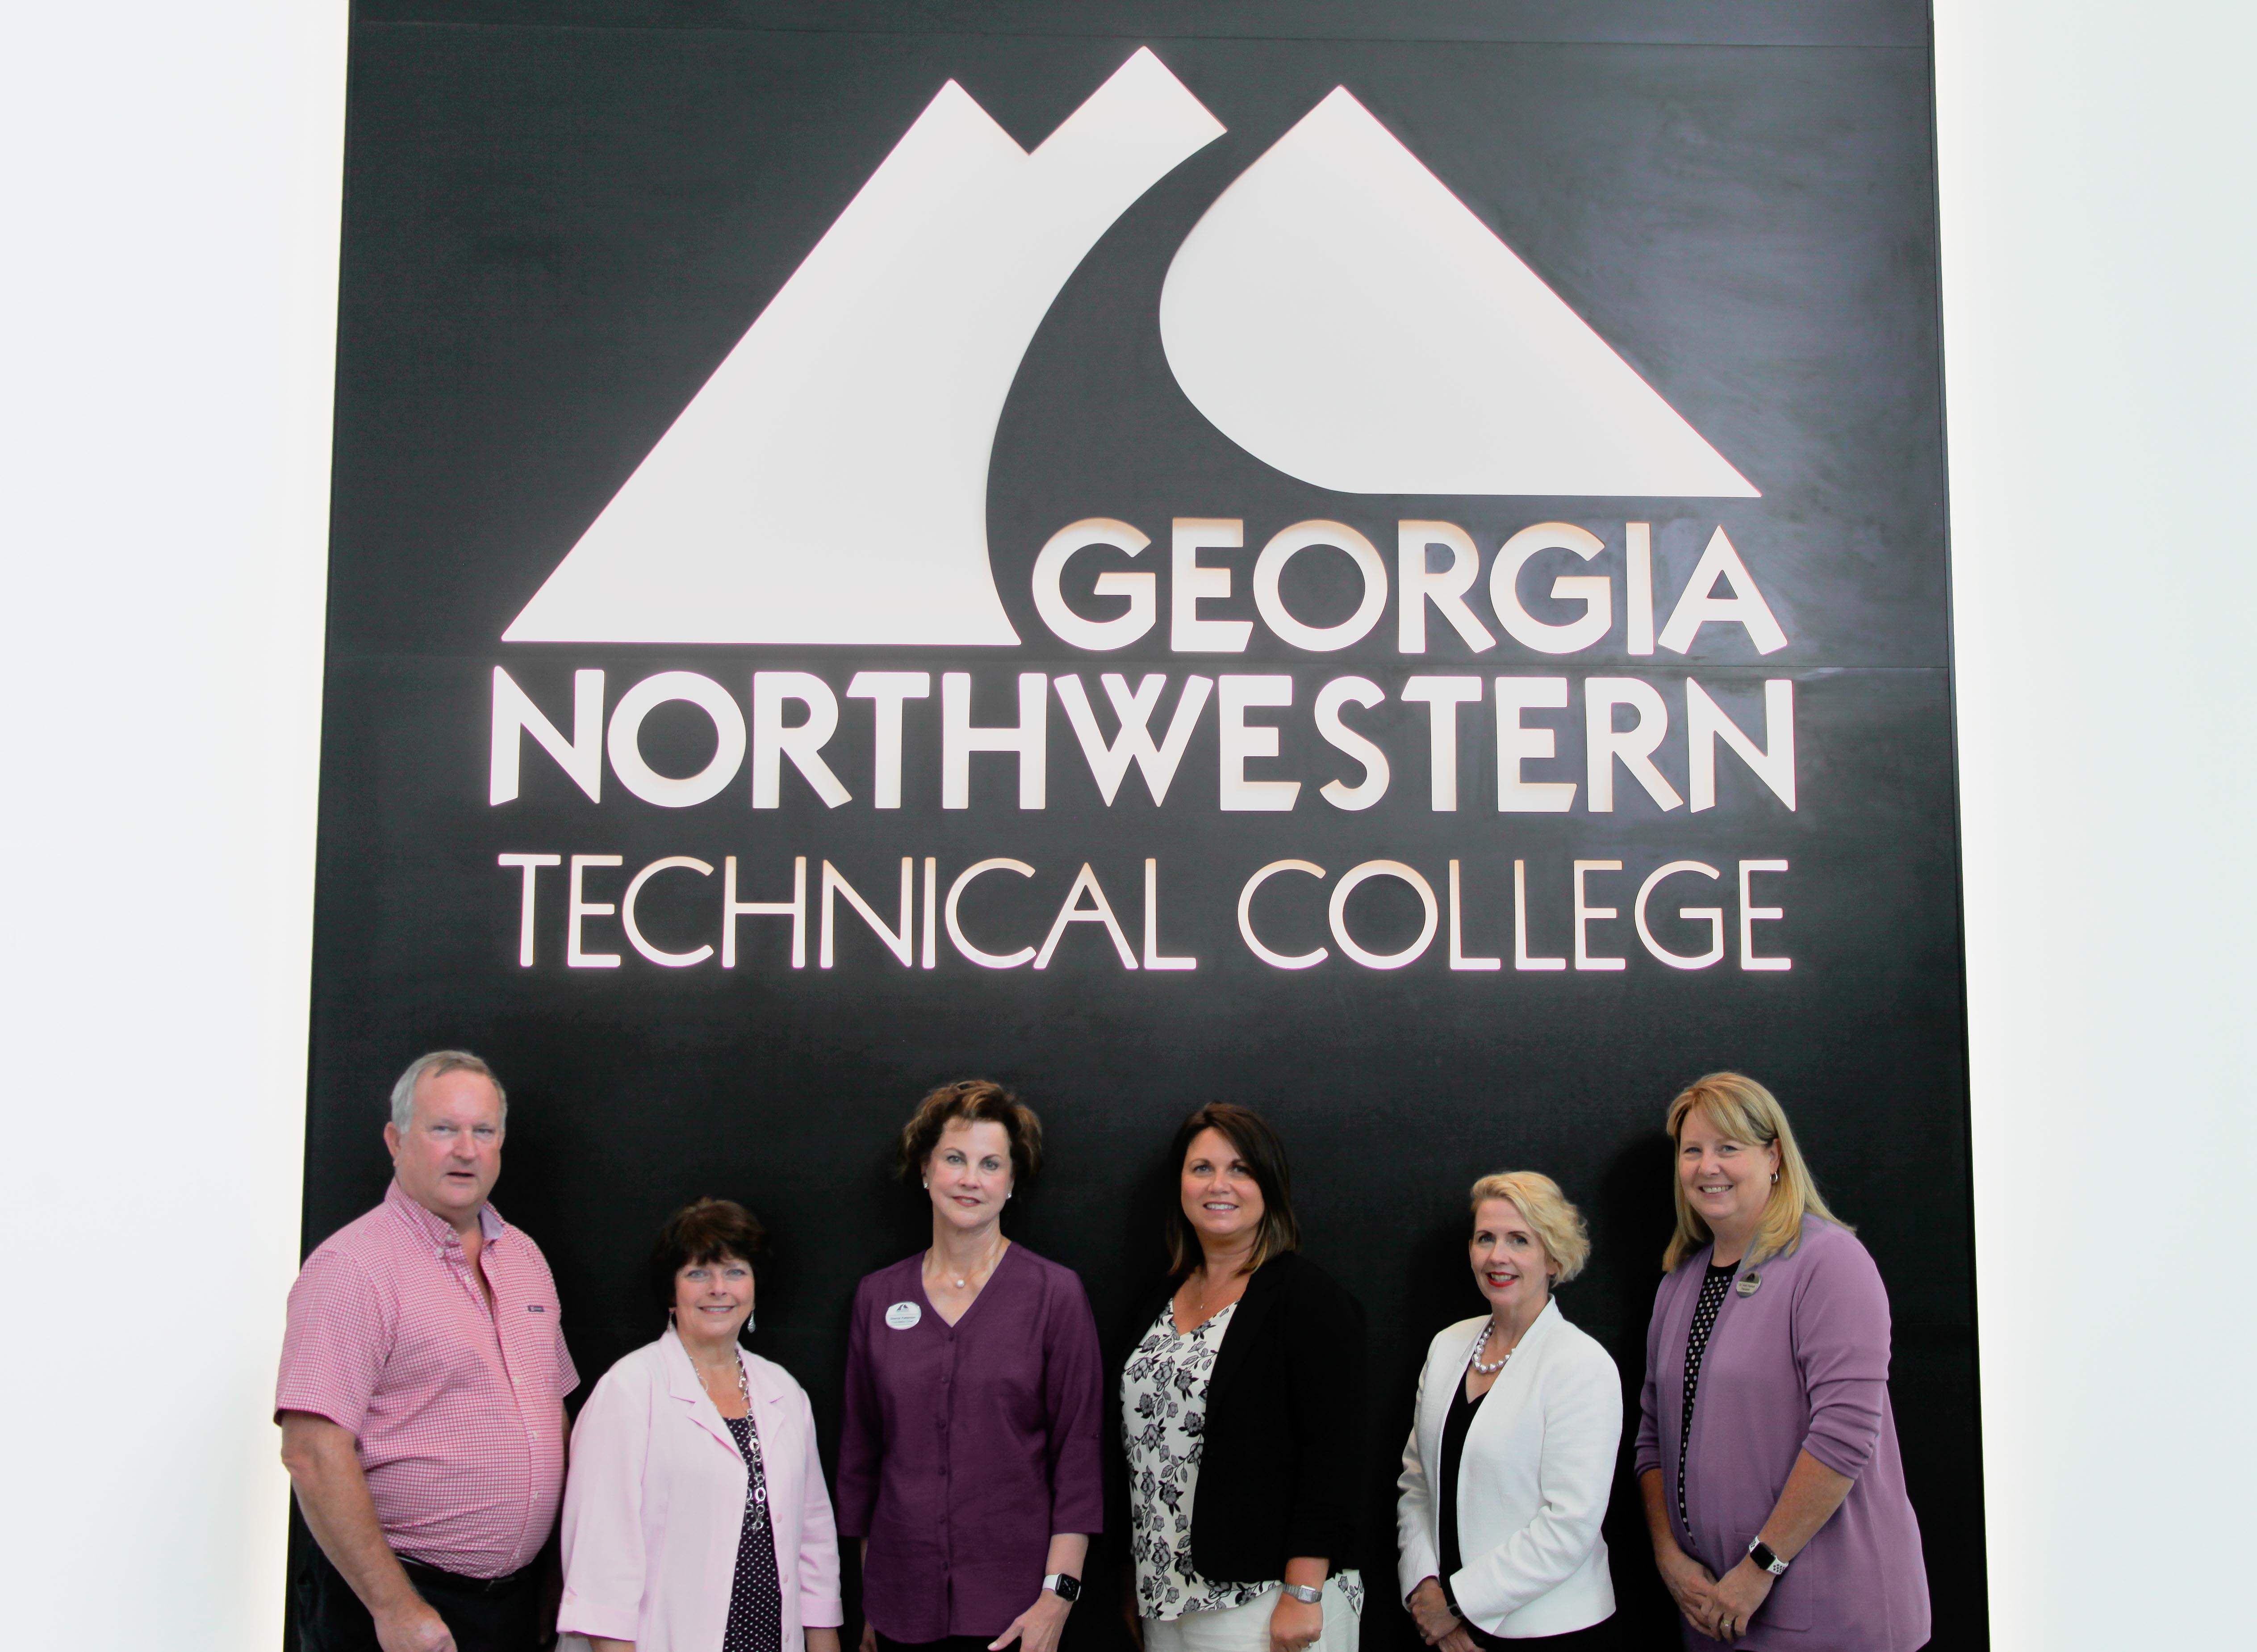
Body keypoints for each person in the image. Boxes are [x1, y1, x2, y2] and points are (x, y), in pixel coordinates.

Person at [277, 1050, 579, 1652]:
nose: (466, 1149)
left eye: (483, 1130)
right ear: (396, 1138)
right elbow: (311, 1450)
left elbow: (554, 1414)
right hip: (396, 1607)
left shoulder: (524, 1258)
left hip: (512, 1608)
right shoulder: (353, 1266)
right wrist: (394, 1606)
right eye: (444, 1128)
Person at [1635, 1074, 1930, 1650]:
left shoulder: (1828, 1261)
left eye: (1728, 1147)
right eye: (1692, 1150)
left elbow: (1844, 1433)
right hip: (1716, 1613)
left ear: (1773, 1156)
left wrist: (1759, 1566)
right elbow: (1652, 1435)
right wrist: (1668, 1555)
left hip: (1829, 1613)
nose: (1706, 1165)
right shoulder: (1679, 1283)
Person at [837, 1081, 1104, 1652]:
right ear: (926, 1170)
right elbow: (862, 1456)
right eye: (954, 1159)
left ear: (1010, 1183)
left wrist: (1057, 1599)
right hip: (899, 1607)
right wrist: (872, 1601)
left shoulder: (1054, 1294)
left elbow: (1079, 1458)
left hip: (1016, 1614)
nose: (969, 1179)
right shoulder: (877, 1297)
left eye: (990, 1164)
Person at [1120, 1104, 1366, 1652]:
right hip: (1166, 1598)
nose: (1219, 1185)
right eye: (1201, 1168)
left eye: (1240, 1169)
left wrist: (1303, 1592)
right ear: (1179, 1184)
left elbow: (1336, 1455)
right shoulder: (1156, 1303)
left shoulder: (1308, 1300)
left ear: (1269, 1186)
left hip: (1265, 1600)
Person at [557, 1198, 843, 1652]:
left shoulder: (784, 1391)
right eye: (697, 1273)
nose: (718, 1289)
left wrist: (824, 1641)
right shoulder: (630, 1390)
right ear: (671, 1293)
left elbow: (814, 1536)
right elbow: (600, 1561)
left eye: (734, 1272)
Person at [1397, 1172, 1621, 1649]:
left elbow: (1569, 1524)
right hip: (1442, 1627)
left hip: (1548, 1630)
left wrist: (1457, 1605)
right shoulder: (1447, 1346)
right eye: (1485, 1239)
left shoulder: (1581, 1365)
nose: (1497, 1256)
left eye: (1519, 1240)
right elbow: (1416, 1482)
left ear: (1554, 1257)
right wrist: (1424, 1588)